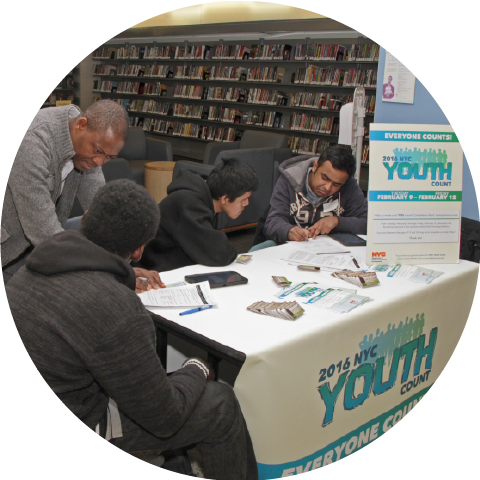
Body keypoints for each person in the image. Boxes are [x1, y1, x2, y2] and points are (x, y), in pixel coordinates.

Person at [6, 179, 258, 480]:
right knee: (219, 403)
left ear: (86, 220)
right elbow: (165, 418)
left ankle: (175, 463)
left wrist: (121, 274)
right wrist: (198, 366)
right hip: (80, 419)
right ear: (139, 250)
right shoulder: (117, 307)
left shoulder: (27, 271)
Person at [1, 99, 162, 292]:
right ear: (81, 125)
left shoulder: (88, 142)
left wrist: (121, 265)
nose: (99, 162)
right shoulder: (30, 141)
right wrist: (112, 271)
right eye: (98, 151)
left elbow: (103, 212)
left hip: (41, 248)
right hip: (9, 251)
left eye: (109, 157)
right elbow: (43, 231)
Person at [136, 158, 259, 272]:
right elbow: (220, 253)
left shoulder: (202, 196)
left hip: (172, 264)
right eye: (244, 199)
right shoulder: (189, 204)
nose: (246, 203)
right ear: (225, 198)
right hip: (155, 271)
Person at [263, 145, 367, 245]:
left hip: (332, 250)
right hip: (292, 247)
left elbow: (366, 223)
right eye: (325, 178)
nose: (328, 188)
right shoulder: (289, 180)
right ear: (315, 166)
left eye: (336, 184)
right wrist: (288, 231)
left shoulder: (350, 186)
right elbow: (272, 222)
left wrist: (337, 222)